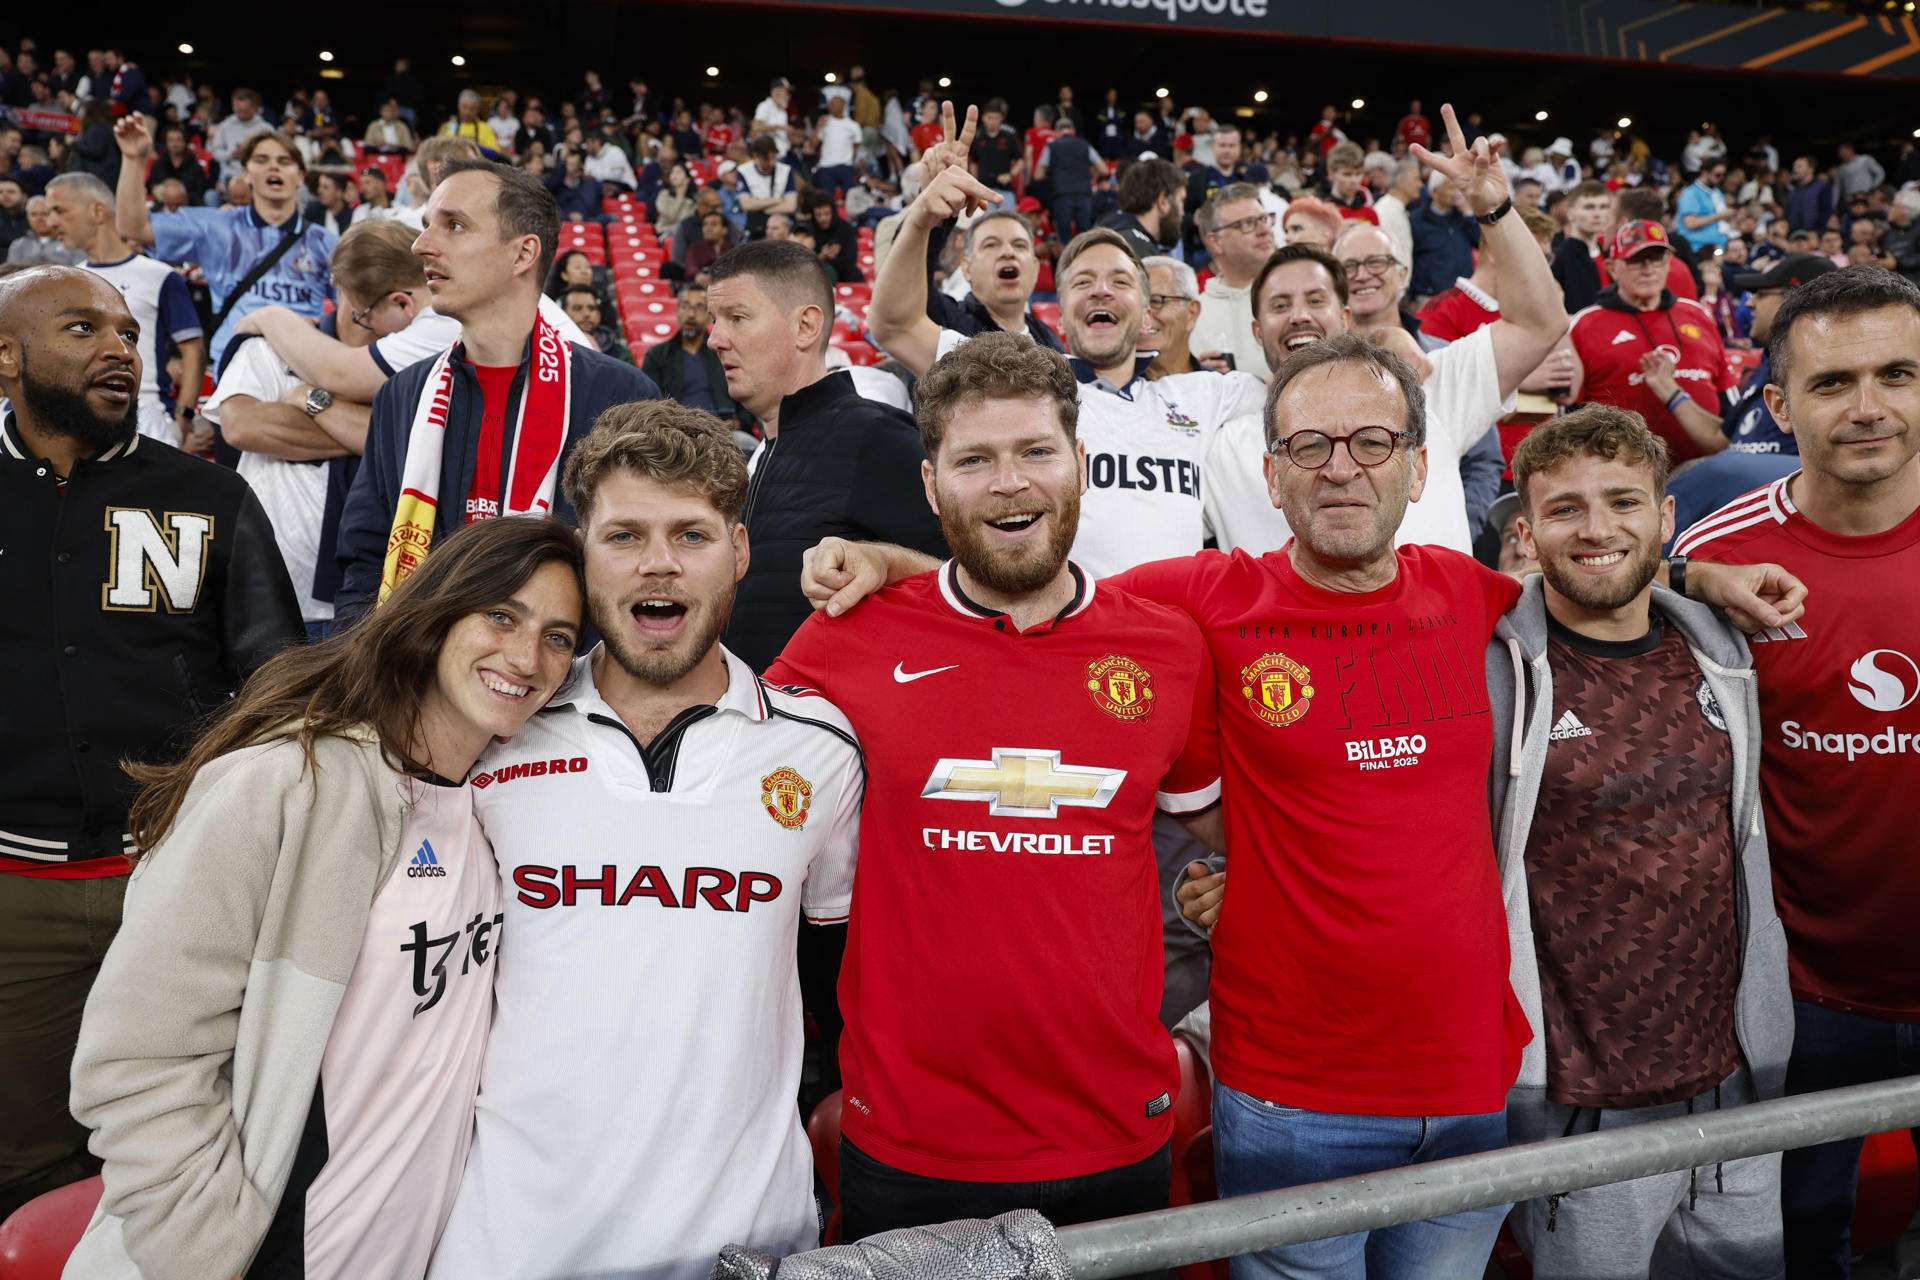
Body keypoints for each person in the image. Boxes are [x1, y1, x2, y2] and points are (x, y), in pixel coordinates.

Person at [769, 331, 1222, 1239]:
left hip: (1115, 1134)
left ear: (1080, 466)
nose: (1009, 481)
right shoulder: (846, 639)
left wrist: (1234, 882)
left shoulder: (1168, 649)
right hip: (913, 1141)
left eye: (1035, 452)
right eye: (975, 459)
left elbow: (1218, 832)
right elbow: (742, 803)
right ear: (931, 485)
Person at [65, 517, 583, 1277]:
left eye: (560, 637)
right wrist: (205, 1248)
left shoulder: (499, 810)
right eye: (501, 615)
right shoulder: (282, 785)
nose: (526, 656)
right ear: (438, 614)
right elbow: (135, 1056)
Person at [426, 404, 862, 1280]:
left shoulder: (821, 750)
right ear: (582, 553)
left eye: (691, 535)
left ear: (739, 552)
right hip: (507, 1244)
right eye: (624, 535)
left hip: (748, 1247)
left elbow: (834, 978)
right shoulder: (491, 732)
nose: (658, 563)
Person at [0, 264, 303, 1218]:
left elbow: (276, 683)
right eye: (83, 328)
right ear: (6, 356)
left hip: (175, 885)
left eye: (128, 332)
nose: (119, 349)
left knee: (192, 1155)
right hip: (15, 905)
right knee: (25, 1162)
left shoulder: (209, 496)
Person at [1498, 408, 1790, 1280]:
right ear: (1527, 530)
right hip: (1585, 1104)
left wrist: (1694, 579)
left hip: (1735, 1082)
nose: (1597, 529)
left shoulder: (1722, 649)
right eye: (1566, 509)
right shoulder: (1491, 665)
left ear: (1666, 521)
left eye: (1624, 501)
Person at [1674, 267, 1920, 1279]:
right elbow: (1564, 592)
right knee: (1798, 1240)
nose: (1869, 407)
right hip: (1801, 995)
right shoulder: (1724, 552)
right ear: (1775, 405)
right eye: (1833, 382)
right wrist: (1678, 575)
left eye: (1898, 373)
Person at [1204, 121, 1570, 560]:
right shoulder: (1224, 438)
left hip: (1438, 629)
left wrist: (1494, 209)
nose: (1299, 314)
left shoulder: (1425, 384)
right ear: (1257, 331)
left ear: (1343, 316)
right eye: (1280, 305)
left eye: (1315, 299)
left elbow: (1541, 324)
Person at [333, 159, 659, 621]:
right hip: (412, 677)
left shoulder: (621, 395)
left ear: (523, 254)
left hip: (567, 683)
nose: (422, 245)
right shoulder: (402, 396)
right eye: (427, 226)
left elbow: (639, 565)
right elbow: (365, 563)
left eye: (454, 225)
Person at [709, 240, 945, 671]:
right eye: (714, 321)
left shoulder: (877, 438)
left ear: (805, 327)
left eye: (736, 318)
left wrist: (888, 564)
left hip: (836, 727)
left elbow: (968, 580)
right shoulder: (760, 457)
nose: (715, 339)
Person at [208, 220, 420, 636]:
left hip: (375, 595)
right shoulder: (268, 348)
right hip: (273, 587)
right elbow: (243, 425)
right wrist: (374, 434)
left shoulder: (419, 364)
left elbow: (414, 445)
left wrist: (312, 401)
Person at [113, 114, 335, 368]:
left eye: (284, 161)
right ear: (247, 174)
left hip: (306, 367)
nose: (274, 167)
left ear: (301, 176)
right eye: (261, 160)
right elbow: (133, 226)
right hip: (238, 368)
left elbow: (357, 311)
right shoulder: (216, 227)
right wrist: (133, 159)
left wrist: (324, 329)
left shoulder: (326, 242)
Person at [869, 108, 1067, 362]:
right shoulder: (946, 324)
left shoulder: (1050, 341)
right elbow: (895, 315)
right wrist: (927, 216)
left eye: (1019, 245)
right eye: (991, 245)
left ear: (1036, 268)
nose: (1008, 252)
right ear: (966, 267)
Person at [1667, 253, 1838, 540]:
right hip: (1741, 501)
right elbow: (1720, 440)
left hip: (1793, 517)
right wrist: (1668, 391)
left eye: (1760, 294)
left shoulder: (1833, 367)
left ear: (1794, 300)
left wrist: (1725, 468)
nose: (1748, 303)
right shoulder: (1768, 363)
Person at [42, 172, 206, 447]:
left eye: (59, 210)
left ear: (97, 211)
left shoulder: (159, 275)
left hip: (147, 416)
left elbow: (194, 350)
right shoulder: (68, 281)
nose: (50, 222)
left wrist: (183, 416)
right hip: (84, 419)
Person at [1568, 219, 1737, 467]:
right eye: (1636, 260)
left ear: (1668, 264)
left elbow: (1727, 395)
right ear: (1612, 268)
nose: (1648, 269)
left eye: (1656, 258)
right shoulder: (1586, 324)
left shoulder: (1698, 314)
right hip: (1622, 473)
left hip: (1706, 469)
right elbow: (1569, 413)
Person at [1189, 183, 1277, 379]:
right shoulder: (1193, 314)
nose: (1264, 230)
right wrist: (1196, 375)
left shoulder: (1297, 297)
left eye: (1264, 219)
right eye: (1247, 223)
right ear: (1215, 242)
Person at [641, 283, 735, 417]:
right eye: (685, 306)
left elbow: (746, 395)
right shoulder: (657, 356)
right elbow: (649, 403)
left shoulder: (724, 352)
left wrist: (740, 421)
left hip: (723, 429)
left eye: (699, 307)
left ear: (710, 316)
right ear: (677, 311)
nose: (691, 314)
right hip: (676, 431)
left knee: (745, 439)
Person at [1034, 117, 1106, 242]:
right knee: (1085, 237)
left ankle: (1066, 261)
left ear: (1056, 132)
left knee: (1064, 236)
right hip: (1083, 194)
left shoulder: (1051, 146)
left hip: (1061, 195)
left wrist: (1052, 176)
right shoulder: (1084, 144)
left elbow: (1038, 175)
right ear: (1072, 130)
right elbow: (1104, 170)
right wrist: (1093, 178)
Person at [1552, 179, 1617, 314]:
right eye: (1589, 207)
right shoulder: (1565, 256)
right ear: (1571, 213)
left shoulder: (1604, 251)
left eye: (1603, 207)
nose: (1597, 214)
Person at [1142, 255, 1206, 380]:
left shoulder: (1219, 390)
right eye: (1136, 304)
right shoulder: (1108, 392)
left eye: (1155, 301)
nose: (1143, 315)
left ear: (1191, 313)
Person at [738, 135, 798, 238]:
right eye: (766, 159)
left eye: (773, 157)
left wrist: (759, 207)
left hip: (782, 223)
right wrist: (778, 200)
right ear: (755, 156)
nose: (771, 162)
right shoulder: (744, 171)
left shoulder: (785, 170)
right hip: (757, 227)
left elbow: (791, 206)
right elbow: (746, 204)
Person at [5, 195, 83, 266]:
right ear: (27, 217)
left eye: (44, 214)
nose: (39, 218)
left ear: (54, 215)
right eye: (33, 214)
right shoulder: (18, 245)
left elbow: (81, 274)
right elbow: (11, 275)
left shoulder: (73, 242)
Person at [1676, 160, 1732, 255]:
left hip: (1720, 247)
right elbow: (1690, 223)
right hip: (1698, 250)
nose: (1721, 178)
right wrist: (1720, 216)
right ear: (1705, 172)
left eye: (1723, 175)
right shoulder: (1690, 193)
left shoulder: (1717, 192)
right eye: (1718, 175)